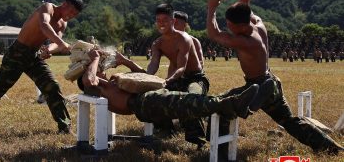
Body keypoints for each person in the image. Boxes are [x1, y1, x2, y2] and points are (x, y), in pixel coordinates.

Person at [206, 0, 343, 154]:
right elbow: (244, 8)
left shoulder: (246, 42)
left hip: (258, 86)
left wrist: (211, 8)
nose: (228, 26)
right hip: (270, 82)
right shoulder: (258, 25)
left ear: (240, 26)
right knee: (289, 121)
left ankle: (220, 151)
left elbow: (214, 34)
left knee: (221, 105)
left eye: (229, 24)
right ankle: (329, 147)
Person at [0, 0, 84, 134]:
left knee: (52, 87)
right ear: (65, 4)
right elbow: (44, 25)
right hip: (17, 53)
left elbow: (56, 41)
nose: (71, 16)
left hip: (34, 56)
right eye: (71, 12)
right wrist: (61, 44)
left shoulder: (62, 23)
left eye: (75, 15)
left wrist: (49, 49)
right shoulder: (47, 7)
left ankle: (64, 126)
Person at [77, 49, 261, 133]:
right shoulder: (93, 85)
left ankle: (235, 100)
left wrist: (126, 61)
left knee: (186, 100)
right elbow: (89, 79)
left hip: (147, 97)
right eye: (96, 67)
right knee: (183, 102)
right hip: (141, 103)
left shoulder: (111, 81)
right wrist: (93, 59)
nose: (100, 67)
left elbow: (144, 77)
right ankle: (230, 104)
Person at [145, 4, 209, 147]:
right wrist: (146, 78)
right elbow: (153, 64)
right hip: (178, 78)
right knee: (154, 96)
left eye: (165, 20)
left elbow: (181, 67)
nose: (161, 23)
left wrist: (167, 81)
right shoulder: (157, 43)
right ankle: (166, 129)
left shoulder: (184, 38)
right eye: (158, 20)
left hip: (195, 78)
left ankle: (197, 138)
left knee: (192, 97)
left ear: (173, 21)